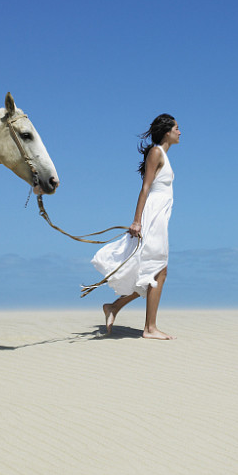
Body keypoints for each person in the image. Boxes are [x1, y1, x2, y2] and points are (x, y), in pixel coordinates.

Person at [91, 114, 181, 340]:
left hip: (160, 218)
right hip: (152, 217)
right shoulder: (156, 152)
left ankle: (114, 307)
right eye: (177, 128)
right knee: (158, 269)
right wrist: (137, 220)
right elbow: (145, 188)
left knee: (154, 270)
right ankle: (149, 328)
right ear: (167, 131)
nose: (180, 132)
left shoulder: (164, 156)